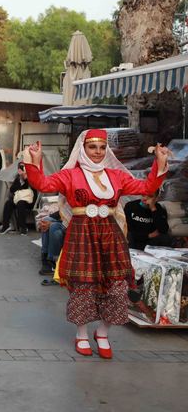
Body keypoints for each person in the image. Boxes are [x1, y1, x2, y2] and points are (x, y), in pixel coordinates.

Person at [25, 129, 169, 359]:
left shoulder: (116, 175)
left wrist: (159, 163)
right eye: (93, 147)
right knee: (84, 286)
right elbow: (43, 184)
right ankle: (81, 334)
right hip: (82, 233)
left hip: (110, 234)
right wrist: (36, 160)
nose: (98, 152)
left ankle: (102, 333)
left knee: (118, 286)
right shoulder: (70, 175)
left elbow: (146, 188)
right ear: (83, 149)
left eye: (102, 147)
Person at [0, 162, 37, 235]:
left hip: (29, 201)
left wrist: (26, 178)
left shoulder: (31, 177)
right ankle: (5, 225)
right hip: (18, 199)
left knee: (21, 203)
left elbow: (34, 189)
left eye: (22, 167)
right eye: (20, 167)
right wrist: (20, 181)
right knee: (8, 203)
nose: (21, 169)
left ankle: (23, 227)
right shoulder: (18, 178)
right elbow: (12, 189)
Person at [37, 208, 65, 286]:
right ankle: (46, 261)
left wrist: (53, 222)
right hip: (65, 218)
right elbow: (64, 211)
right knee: (45, 220)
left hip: (74, 221)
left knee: (54, 226)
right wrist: (49, 219)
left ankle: (53, 261)